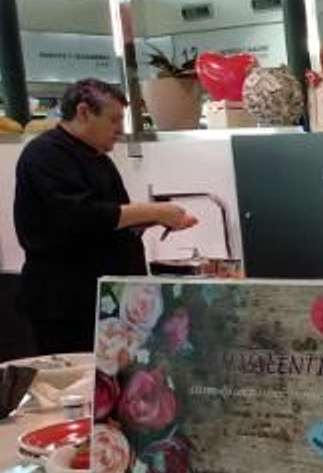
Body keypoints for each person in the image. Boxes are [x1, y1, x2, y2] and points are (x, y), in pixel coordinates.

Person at [14, 80, 196, 352]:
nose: (120, 130)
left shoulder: (98, 156)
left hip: (107, 298)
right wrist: (154, 211)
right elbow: (82, 215)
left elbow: (112, 219)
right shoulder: (45, 154)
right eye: (113, 119)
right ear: (84, 112)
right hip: (67, 303)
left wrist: (147, 221)